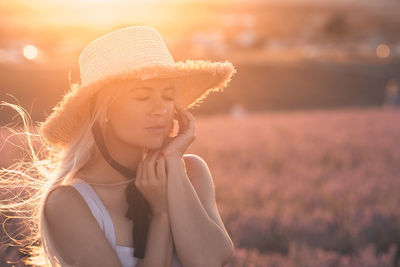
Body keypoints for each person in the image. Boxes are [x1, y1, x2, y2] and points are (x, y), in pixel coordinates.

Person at [0, 25, 237, 266]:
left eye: (167, 96)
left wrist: (173, 162)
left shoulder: (191, 172)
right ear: (104, 111)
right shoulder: (68, 203)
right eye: (142, 97)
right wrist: (160, 214)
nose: (161, 109)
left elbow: (209, 260)